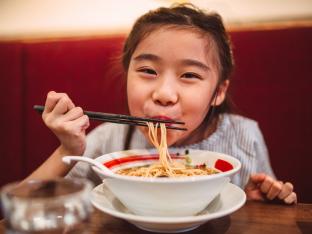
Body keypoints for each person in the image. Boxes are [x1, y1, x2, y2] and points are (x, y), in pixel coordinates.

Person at [27, 4, 296, 204]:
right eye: (148, 70)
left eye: (189, 75)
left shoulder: (243, 137)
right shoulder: (108, 140)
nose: (164, 94)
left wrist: (261, 199)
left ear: (218, 92)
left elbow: (263, 203)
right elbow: (27, 203)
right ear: (127, 73)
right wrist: (68, 149)